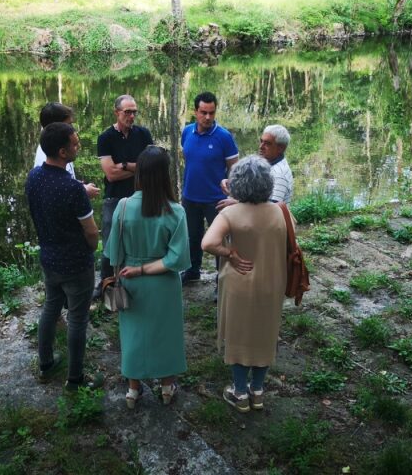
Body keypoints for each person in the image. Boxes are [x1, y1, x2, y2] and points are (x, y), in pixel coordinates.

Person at [201, 155, 290, 413]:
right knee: (265, 334)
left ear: (237, 184)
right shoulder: (282, 212)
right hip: (272, 282)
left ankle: (239, 393)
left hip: (238, 283)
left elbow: (207, 244)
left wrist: (230, 254)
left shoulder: (230, 213)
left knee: (238, 336)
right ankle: (258, 392)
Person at [105, 146, 191, 408]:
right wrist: (147, 268)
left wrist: (135, 268)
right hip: (163, 284)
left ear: (139, 173)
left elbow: (113, 253)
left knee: (133, 334)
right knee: (166, 333)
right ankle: (166, 387)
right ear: (165, 175)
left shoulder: (123, 205)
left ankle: (133, 390)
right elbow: (177, 260)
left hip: (130, 280)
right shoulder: (175, 211)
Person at [26, 122, 104, 392]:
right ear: (62, 151)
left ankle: (46, 363)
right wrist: (91, 247)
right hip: (76, 264)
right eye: (74, 143)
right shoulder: (73, 189)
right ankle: (75, 378)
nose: (78, 146)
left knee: (50, 307)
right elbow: (91, 231)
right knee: (78, 319)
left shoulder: (33, 177)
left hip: (49, 258)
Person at [94, 95, 154, 300]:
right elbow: (110, 174)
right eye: (127, 112)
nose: (132, 116)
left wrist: (125, 165)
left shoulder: (143, 134)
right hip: (114, 197)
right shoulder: (105, 138)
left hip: (141, 195)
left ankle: (136, 278)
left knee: (141, 238)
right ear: (116, 112)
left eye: (134, 111)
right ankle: (105, 282)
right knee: (111, 241)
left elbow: (152, 166)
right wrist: (139, 167)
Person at [180, 92, 239, 285]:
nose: (207, 117)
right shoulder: (187, 132)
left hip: (217, 200)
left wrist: (235, 197)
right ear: (195, 111)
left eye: (211, 113)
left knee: (219, 242)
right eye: (203, 112)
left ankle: (221, 278)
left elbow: (235, 170)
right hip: (190, 197)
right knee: (192, 236)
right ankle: (192, 270)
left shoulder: (224, 137)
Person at [217, 124, 294, 209]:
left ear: (281, 148)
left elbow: (271, 210)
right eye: (261, 141)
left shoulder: (279, 174)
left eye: (267, 144)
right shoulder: (268, 165)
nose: (261, 147)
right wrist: (234, 184)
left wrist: (236, 203)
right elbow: (256, 192)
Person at [34, 102, 99, 200]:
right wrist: (83, 192)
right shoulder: (46, 156)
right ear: (55, 127)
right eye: (69, 124)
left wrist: (78, 185)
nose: (72, 128)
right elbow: (52, 193)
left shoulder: (61, 147)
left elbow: (63, 182)